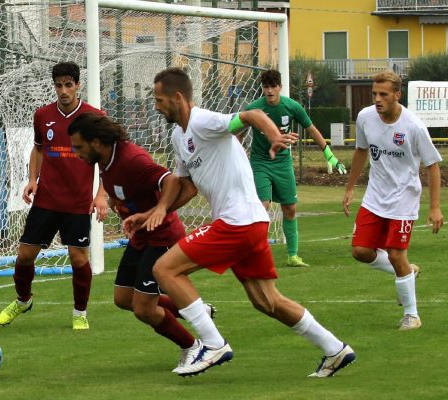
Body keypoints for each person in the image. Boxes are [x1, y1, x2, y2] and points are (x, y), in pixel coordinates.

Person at [127, 67, 355, 378]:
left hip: (238, 222)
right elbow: (185, 184)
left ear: (177, 97)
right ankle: (335, 349)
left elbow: (250, 116)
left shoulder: (204, 121)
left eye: (159, 99)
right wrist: (157, 211)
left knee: (164, 269)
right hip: (249, 223)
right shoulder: (179, 135)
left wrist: (274, 135)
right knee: (267, 301)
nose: (156, 105)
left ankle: (212, 343)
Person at [66, 112, 215, 366]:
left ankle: (193, 347)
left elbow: (170, 181)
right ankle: (197, 310)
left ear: (97, 142)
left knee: (144, 308)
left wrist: (159, 210)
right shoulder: (104, 159)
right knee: (123, 299)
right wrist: (115, 200)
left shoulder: (132, 159)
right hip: (142, 236)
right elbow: (120, 185)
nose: (76, 153)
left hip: (163, 236)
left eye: (79, 147)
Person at [0, 62, 108, 330]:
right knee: (24, 255)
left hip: (78, 203)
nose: (63, 91)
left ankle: (80, 313)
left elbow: (106, 159)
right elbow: (38, 150)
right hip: (46, 200)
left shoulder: (94, 118)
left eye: (69, 85)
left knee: (79, 258)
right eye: (59, 85)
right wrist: (32, 180)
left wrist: (101, 194)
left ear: (78, 85)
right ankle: (23, 301)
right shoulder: (42, 115)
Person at [343, 71, 443, 331]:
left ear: (397, 95)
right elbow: (361, 151)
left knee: (397, 254)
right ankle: (408, 271)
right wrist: (350, 188)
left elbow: (432, 165)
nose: (377, 99)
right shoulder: (365, 117)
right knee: (360, 251)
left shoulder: (413, 126)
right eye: (374, 94)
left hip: (404, 199)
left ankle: (412, 315)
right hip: (375, 197)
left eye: (383, 94)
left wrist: (434, 207)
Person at [241, 69, 347, 267]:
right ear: (262, 88)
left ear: (280, 87)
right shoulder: (254, 109)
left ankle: (292, 255)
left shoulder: (292, 107)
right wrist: (236, 156)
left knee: (290, 208)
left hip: (283, 163)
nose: (270, 91)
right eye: (266, 87)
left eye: (273, 86)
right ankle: (255, 253)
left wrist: (329, 156)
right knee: (262, 206)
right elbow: (238, 129)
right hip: (260, 163)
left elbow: (312, 129)